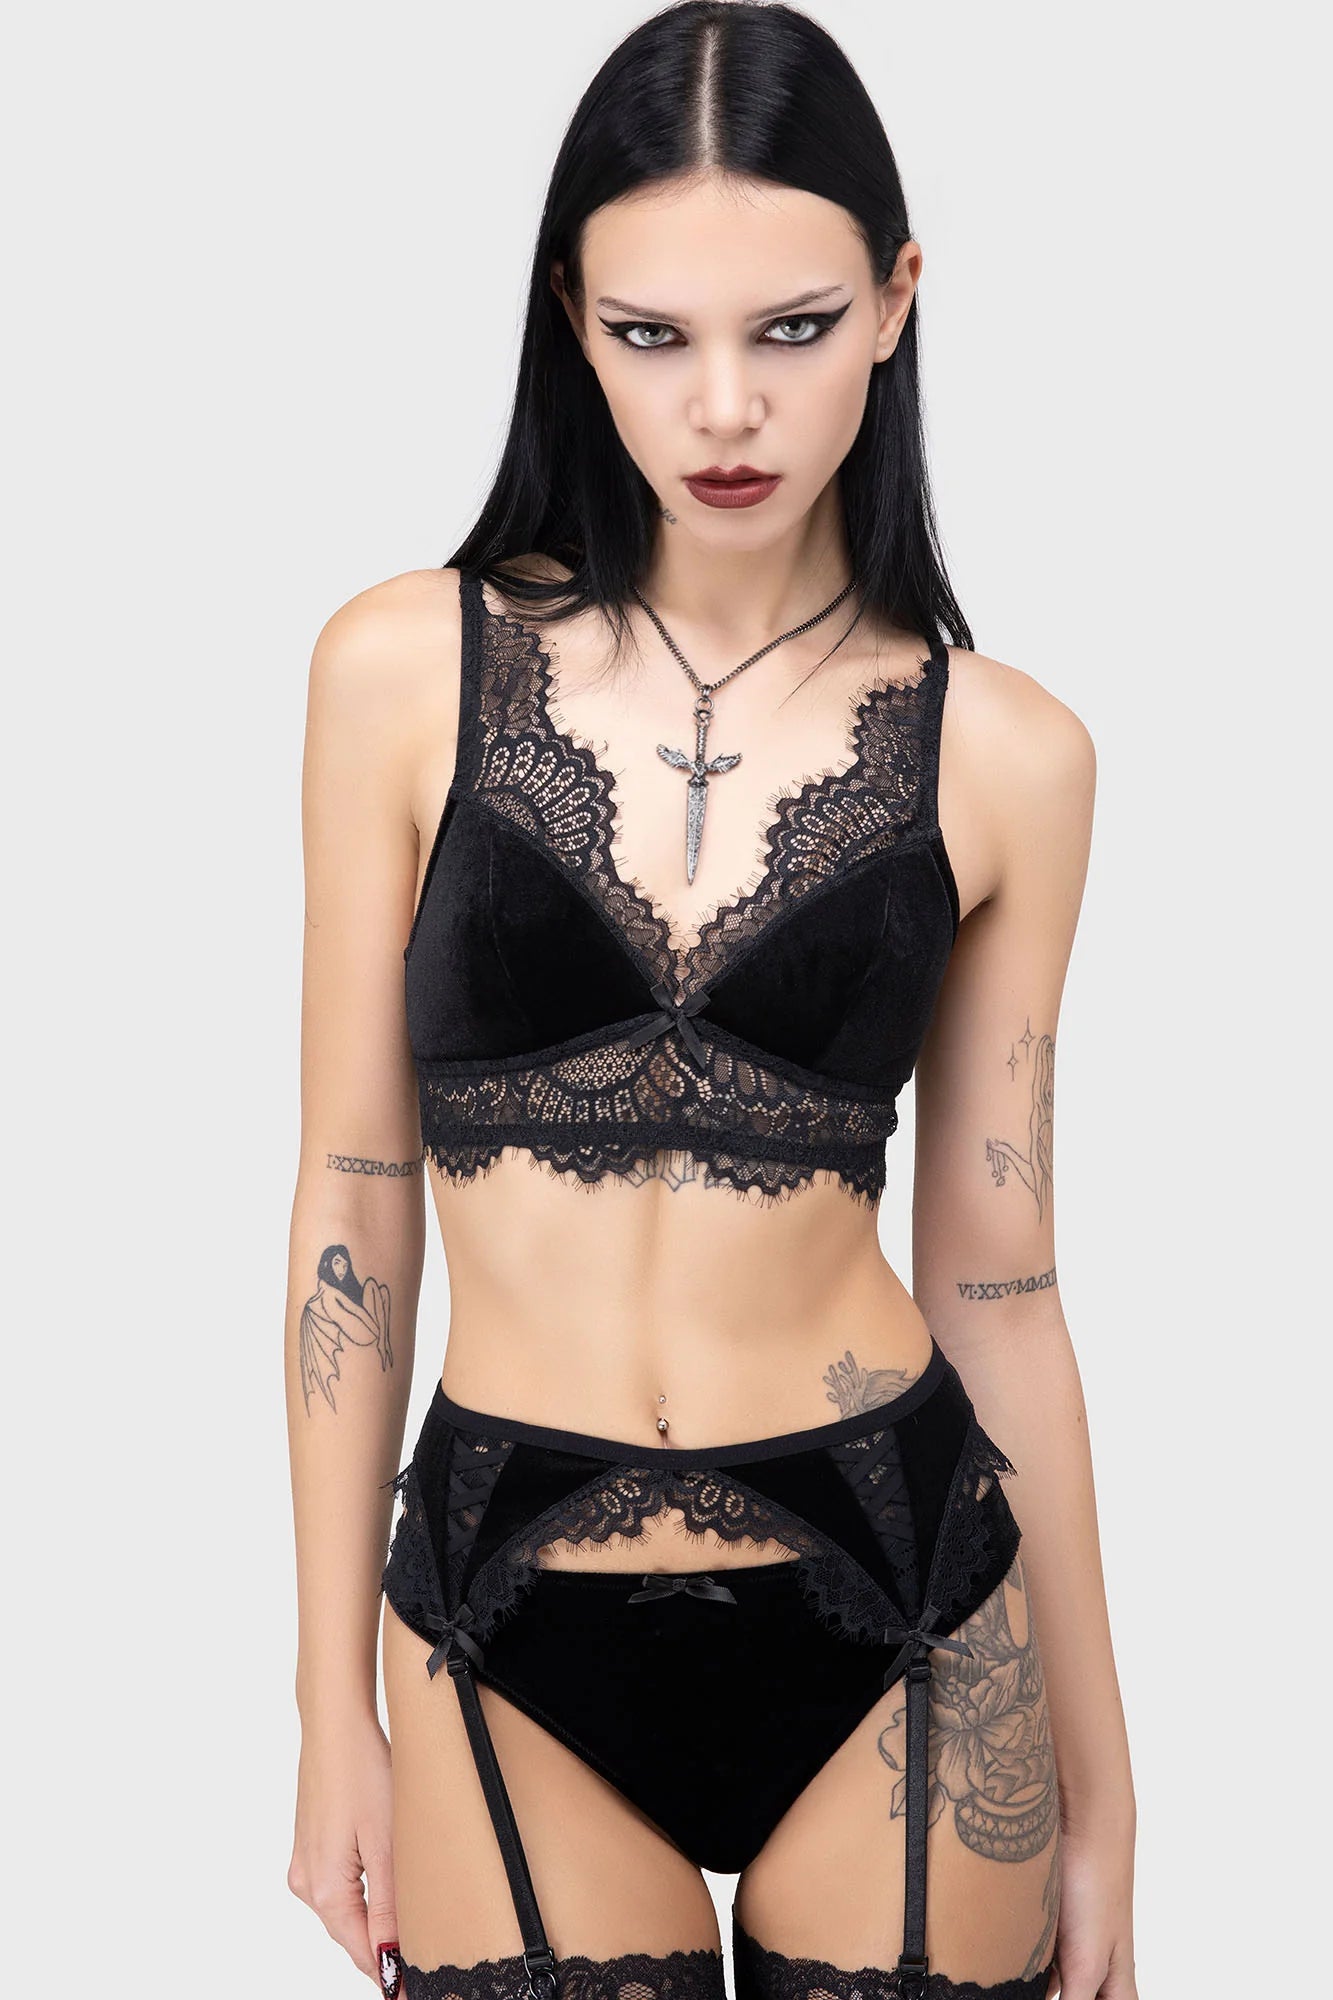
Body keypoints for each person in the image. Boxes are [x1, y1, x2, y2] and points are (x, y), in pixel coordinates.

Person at [285, 7, 1138, 2000]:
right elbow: (351, 1202)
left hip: (910, 1595)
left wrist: (1107, 1798)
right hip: (499, 1606)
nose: (726, 407)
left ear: (896, 301)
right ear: (571, 322)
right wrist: (327, 1701)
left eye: (796, 327)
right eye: (653, 333)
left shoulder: (1008, 754)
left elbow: (1001, 1286)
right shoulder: (401, 672)